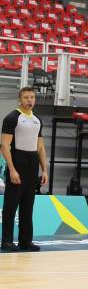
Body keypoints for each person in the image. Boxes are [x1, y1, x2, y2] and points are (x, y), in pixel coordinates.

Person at [1, 87, 48, 252]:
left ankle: (25, 241)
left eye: (32, 97)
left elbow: (40, 147)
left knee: (28, 205)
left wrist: (44, 170)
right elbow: (4, 145)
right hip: (17, 163)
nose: (30, 100)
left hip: (32, 164)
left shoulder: (37, 120)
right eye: (26, 97)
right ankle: (6, 241)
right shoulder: (12, 118)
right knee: (11, 205)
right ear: (19, 100)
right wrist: (12, 169)